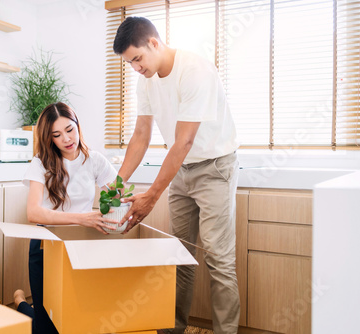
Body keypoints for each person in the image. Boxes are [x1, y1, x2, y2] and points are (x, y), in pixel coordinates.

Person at [112, 17, 241, 334]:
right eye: (130, 63)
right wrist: (116, 185)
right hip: (181, 169)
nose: (136, 68)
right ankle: (172, 329)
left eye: (138, 59)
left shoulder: (194, 71)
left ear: (154, 43)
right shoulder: (147, 81)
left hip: (214, 167)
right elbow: (141, 136)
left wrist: (151, 196)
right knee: (179, 254)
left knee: (218, 260)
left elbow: (184, 140)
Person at [13, 102, 119, 334]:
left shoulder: (95, 160)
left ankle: (23, 304)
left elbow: (116, 194)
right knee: (46, 328)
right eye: (57, 135)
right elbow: (34, 213)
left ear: (78, 125)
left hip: (81, 243)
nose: (67, 139)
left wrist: (113, 204)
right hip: (45, 245)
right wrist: (82, 218)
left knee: (78, 316)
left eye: (70, 129)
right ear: (49, 138)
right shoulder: (40, 163)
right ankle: (22, 304)